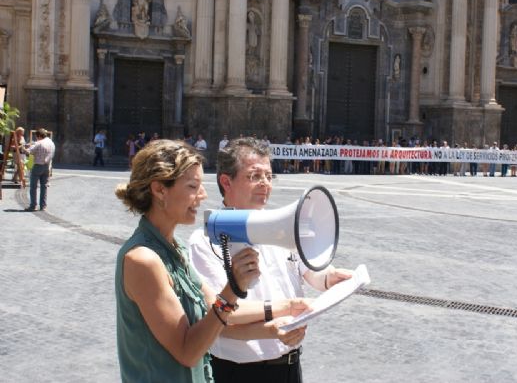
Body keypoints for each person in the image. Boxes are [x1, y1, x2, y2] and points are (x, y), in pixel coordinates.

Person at [189, 137, 352, 383]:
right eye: (255, 176)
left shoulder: (281, 225)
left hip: (288, 366)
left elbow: (310, 272)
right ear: (226, 181)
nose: (265, 184)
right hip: (238, 372)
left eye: (269, 176)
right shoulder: (204, 241)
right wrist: (285, 307)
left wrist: (330, 278)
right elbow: (220, 314)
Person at [114, 139, 262, 382]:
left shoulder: (176, 248)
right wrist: (234, 287)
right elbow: (187, 351)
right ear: (160, 189)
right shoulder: (143, 260)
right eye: (193, 186)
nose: (202, 195)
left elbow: (217, 309)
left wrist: (287, 309)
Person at [24, 128, 55, 211]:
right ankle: (43, 205)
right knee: (44, 187)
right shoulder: (51, 143)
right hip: (47, 166)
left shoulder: (39, 143)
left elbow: (29, 152)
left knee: (33, 187)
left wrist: (24, 148)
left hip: (38, 165)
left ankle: (33, 205)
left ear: (39, 136)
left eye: (36, 137)